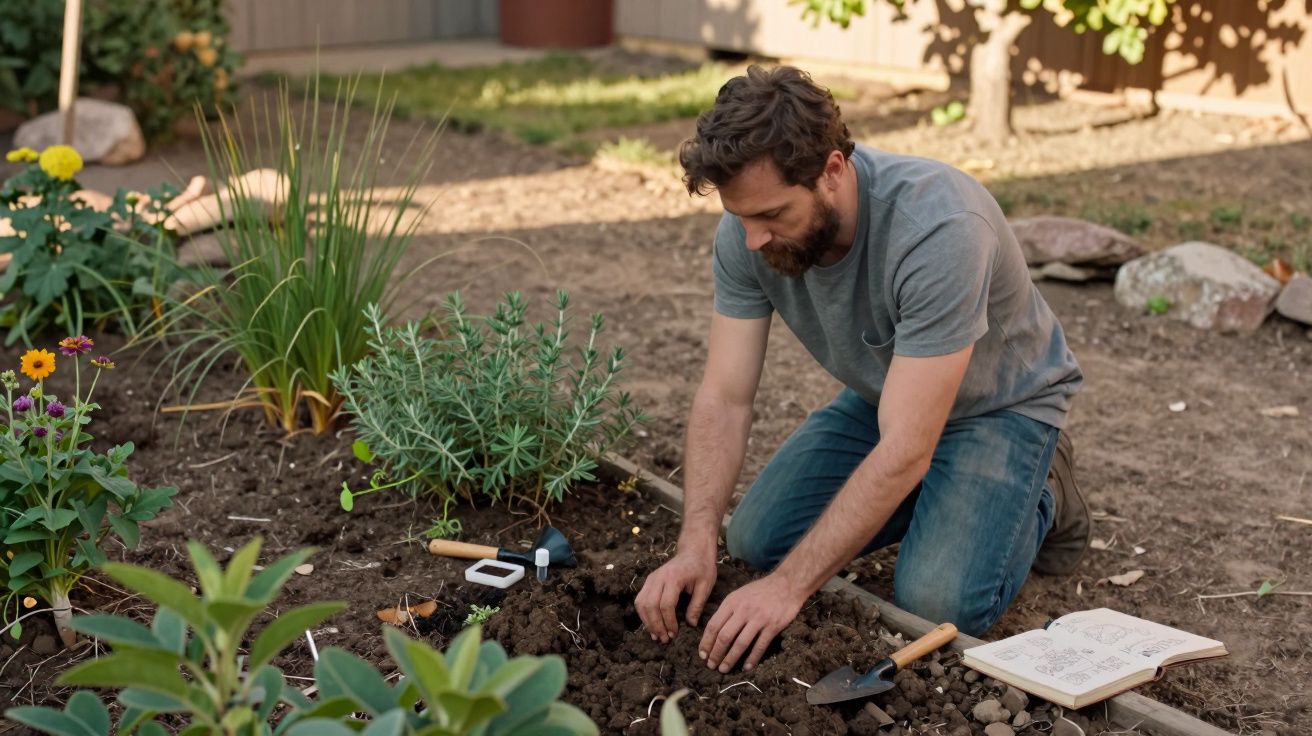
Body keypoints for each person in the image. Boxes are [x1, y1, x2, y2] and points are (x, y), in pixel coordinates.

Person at [633, 65, 1088, 675]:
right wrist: (695, 543)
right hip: (889, 397)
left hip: (999, 409)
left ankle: (1046, 486)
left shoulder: (939, 228)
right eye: (741, 217)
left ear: (833, 171)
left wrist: (789, 588)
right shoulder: (748, 230)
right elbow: (725, 396)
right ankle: (936, 494)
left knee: (935, 602)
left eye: (771, 216)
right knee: (753, 541)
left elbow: (905, 447)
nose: (752, 241)